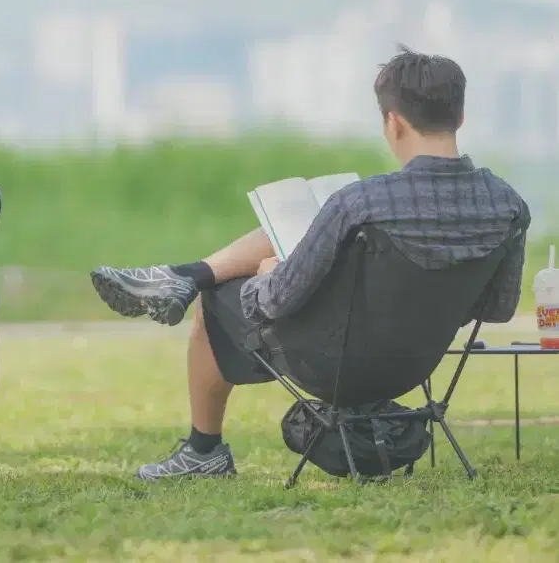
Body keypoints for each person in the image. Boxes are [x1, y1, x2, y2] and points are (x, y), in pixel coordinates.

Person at [90, 47, 531, 480]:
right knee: (296, 247)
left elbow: (275, 300)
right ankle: (179, 278)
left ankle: (203, 449)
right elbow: (498, 308)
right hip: (414, 365)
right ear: (460, 118)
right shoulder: (509, 206)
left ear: (392, 122)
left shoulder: (362, 203)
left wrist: (265, 275)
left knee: (216, 301)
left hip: (334, 365)